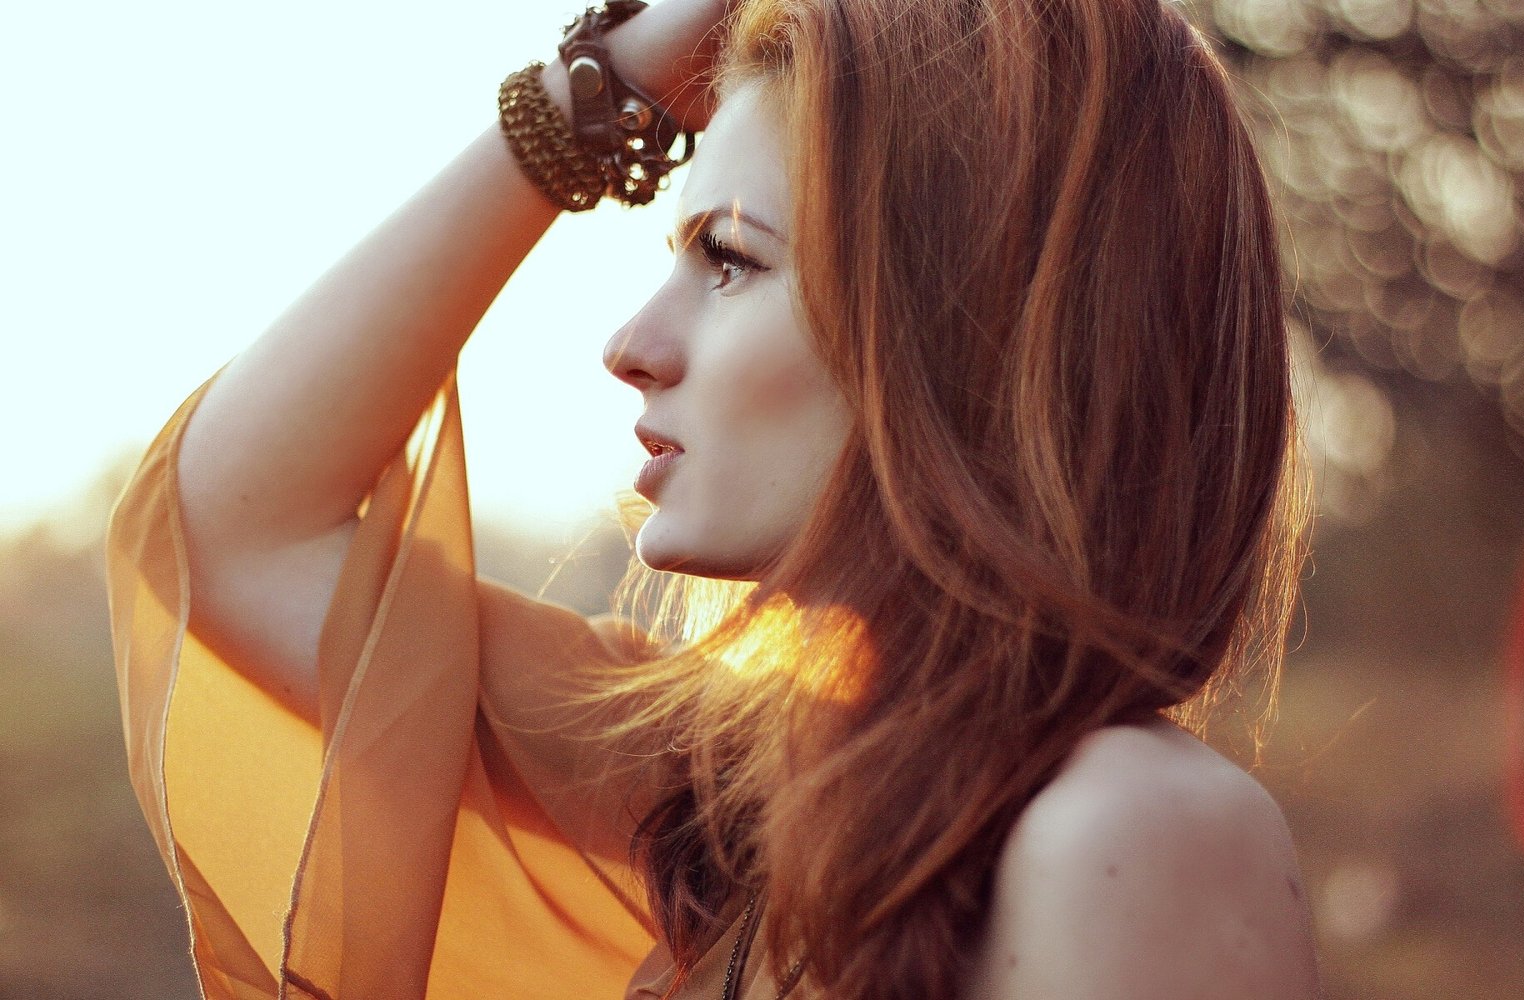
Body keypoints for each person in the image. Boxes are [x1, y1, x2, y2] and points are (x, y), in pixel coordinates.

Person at [106, 0, 1323, 996]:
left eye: (731, 259)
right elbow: (224, 528)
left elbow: (242, 525)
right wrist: (600, 93)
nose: (630, 345)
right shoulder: (743, 786)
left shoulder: (1128, 831)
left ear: (971, 325)